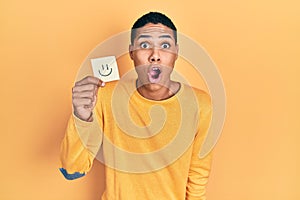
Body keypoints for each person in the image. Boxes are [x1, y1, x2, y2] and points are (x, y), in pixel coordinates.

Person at [60, 11, 213, 199]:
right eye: (145, 45)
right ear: (132, 52)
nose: (155, 55)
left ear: (176, 53)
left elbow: (197, 178)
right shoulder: (106, 96)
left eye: (165, 45)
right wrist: (81, 116)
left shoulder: (200, 104)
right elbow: (72, 170)